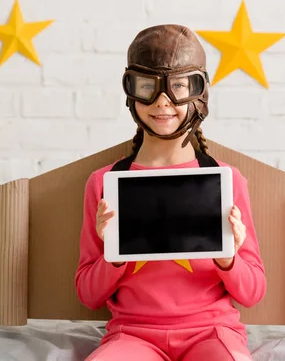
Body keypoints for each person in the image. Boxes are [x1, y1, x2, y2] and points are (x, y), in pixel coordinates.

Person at [75, 24, 266, 361]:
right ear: (132, 91)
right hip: (132, 334)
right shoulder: (104, 182)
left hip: (212, 332)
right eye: (148, 86)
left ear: (199, 91)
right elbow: (88, 295)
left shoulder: (226, 179)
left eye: (178, 86)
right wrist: (114, 254)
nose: (162, 102)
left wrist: (228, 259)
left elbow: (253, 292)